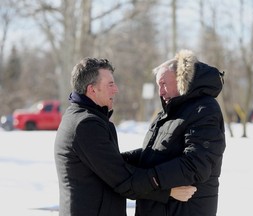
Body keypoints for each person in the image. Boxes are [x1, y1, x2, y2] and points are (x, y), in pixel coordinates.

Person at [54, 57, 197, 216]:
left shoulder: (80, 117)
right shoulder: (86, 125)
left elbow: (111, 165)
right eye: (110, 84)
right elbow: (123, 179)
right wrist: (168, 191)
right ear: (92, 89)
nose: (115, 89)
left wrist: (152, 154)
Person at [121, 49, 226, 216]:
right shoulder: (168, 113)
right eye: (158, 86)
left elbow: (195, 164)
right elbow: (154, 154)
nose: (160, 92)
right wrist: (119, 160)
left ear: (181, 80)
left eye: (163, 83)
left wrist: (147, 180)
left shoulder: (205, 109)